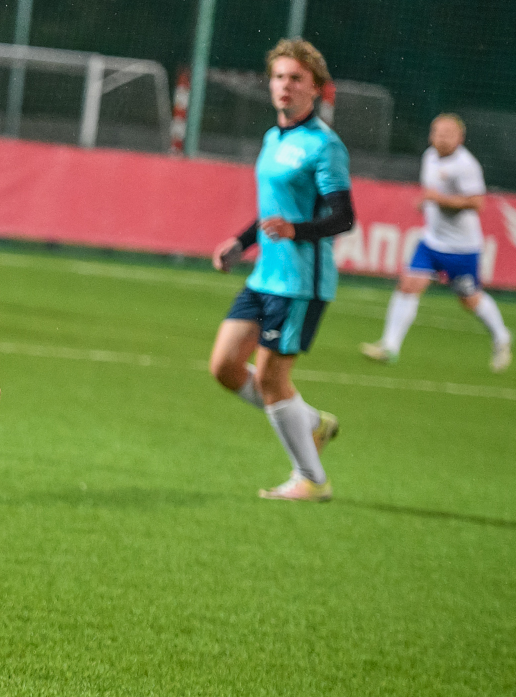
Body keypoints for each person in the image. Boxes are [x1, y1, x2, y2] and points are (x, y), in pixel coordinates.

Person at [209, 38, 354, 502]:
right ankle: (311, 422)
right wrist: (242, 241)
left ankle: (311, 479)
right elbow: (274, 210)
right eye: (278, 77)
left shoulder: (324, 146)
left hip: (299, 283)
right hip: (264, 277)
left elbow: (343, 217)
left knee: (272, 378)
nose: (285, 85)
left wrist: (298, 231)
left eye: (295, 78)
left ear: (316, 88)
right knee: (225, 366)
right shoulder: (274, 138)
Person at [360, 114, 511, 372]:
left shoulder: (466, 165)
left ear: (460, 138)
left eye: (448, 134)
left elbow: (477, 202)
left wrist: (439, 200)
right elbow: (432, 193)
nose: (441, 138)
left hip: (461, 248)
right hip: (432, 242)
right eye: (438, 133)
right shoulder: (429, 156)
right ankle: (390, 346)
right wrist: (427, 202)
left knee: (469, 299)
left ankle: (501, 336)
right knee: (408, 285)